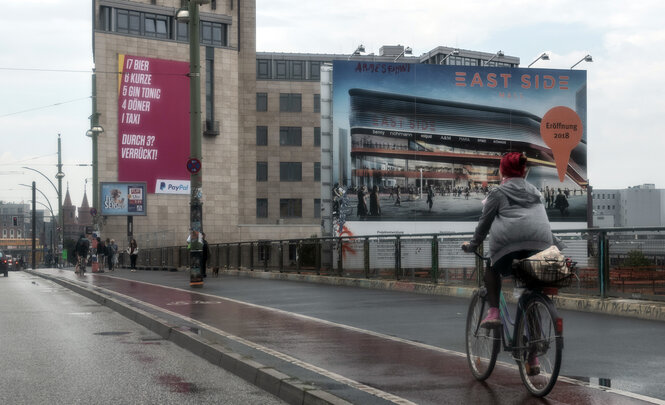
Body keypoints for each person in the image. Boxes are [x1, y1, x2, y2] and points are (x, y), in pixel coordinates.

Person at [461, 152, 563, 376]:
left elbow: (484, 223)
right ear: (523, 172)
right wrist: (556, 244)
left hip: (508, 246)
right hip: (541, 246)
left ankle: (494, 312)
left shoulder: (497, 192)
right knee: (530, 293)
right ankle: (533, 358)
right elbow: (540, 222)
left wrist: (473, 244)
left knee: (492, 269)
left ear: (503, 171)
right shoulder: (536, 192)